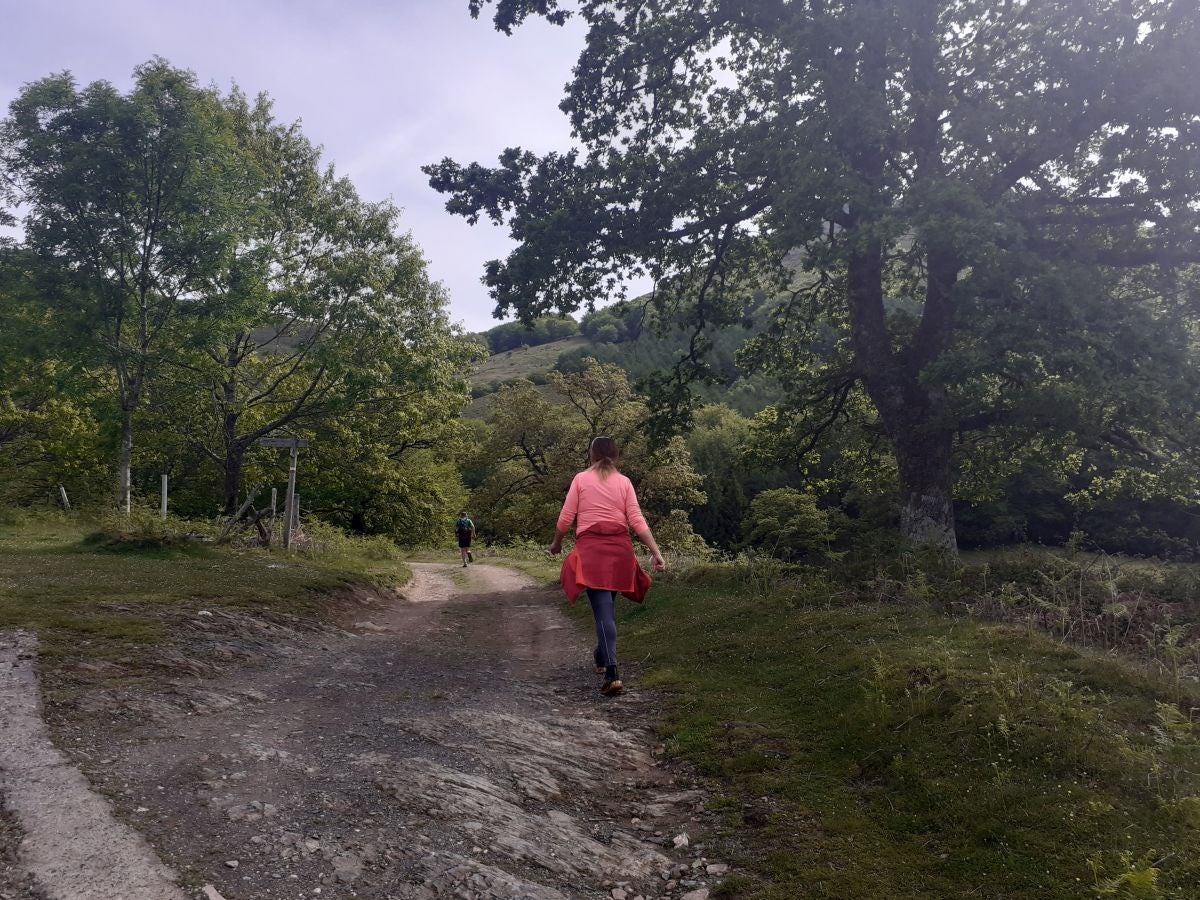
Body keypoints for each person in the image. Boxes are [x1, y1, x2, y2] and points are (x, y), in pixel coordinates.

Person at [549, 436, 666, 696]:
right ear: (615, 456)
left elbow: (566, 517)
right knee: (607, 607)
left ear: (591, 454)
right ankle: (602, 655)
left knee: (603, 611)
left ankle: (612, 672)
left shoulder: (581, 479)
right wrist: (656, 553)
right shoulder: (624, 482)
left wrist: (557, 543)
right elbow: (636, 520)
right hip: (620, 550)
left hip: (592, 550)